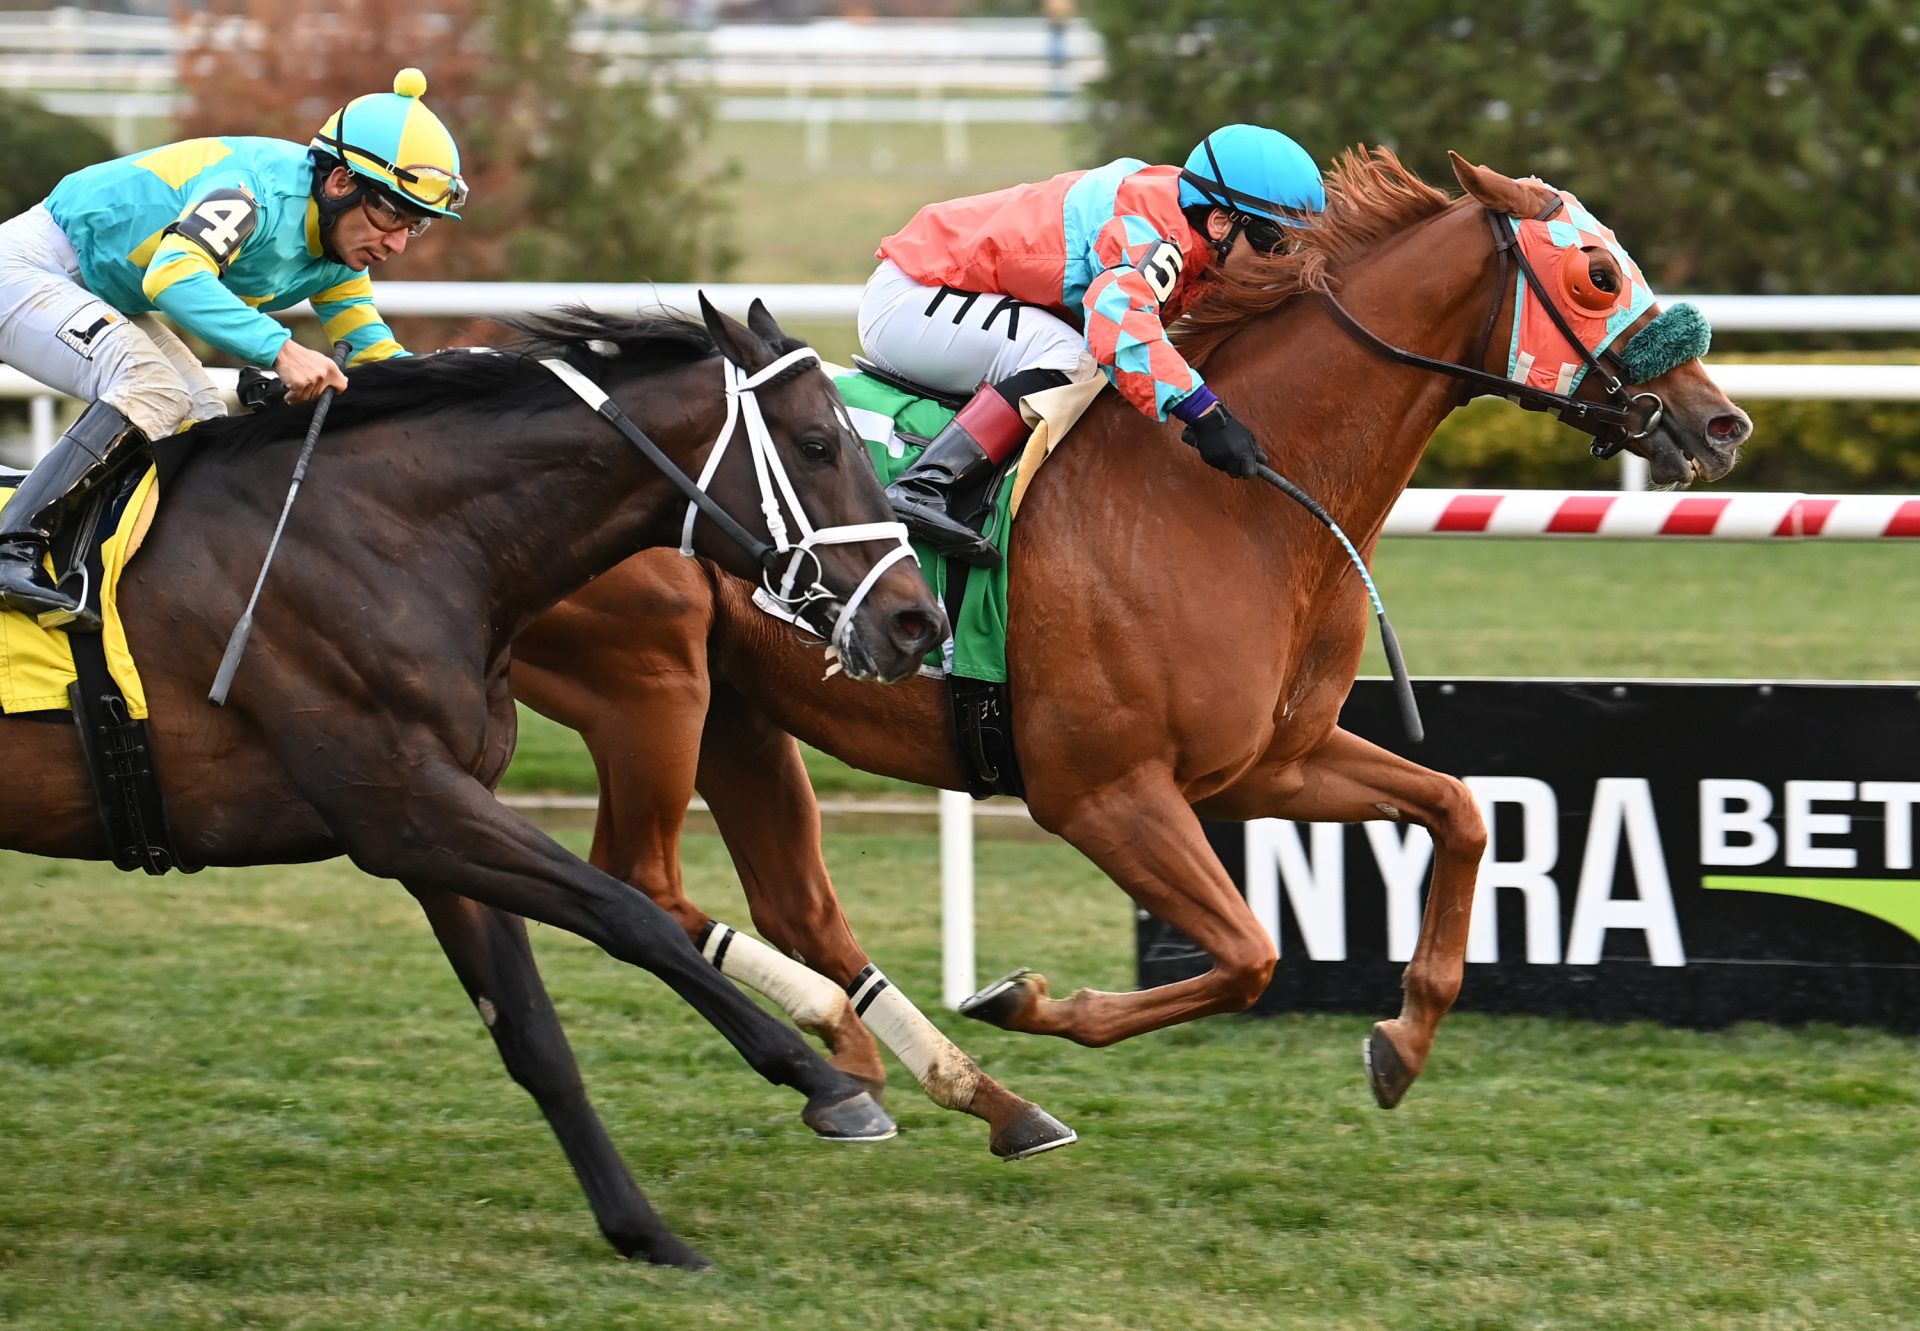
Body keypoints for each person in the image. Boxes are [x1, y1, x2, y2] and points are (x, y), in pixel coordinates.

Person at [0, 68, 466, 627]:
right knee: (151, 386)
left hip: (90, 284)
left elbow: (373, 352)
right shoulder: (255, 191)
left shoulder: (336, 255)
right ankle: (11, 551)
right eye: (390, 213)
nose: (395, 243)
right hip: (31, 265)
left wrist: (461, 396)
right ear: (341, 181)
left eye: (414, 226)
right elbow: (173, 279)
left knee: (200, 413)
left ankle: (103, 568)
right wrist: (281, 351)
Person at [859, 124, 1326, 568]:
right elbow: (1118, 329)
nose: (1281, 263)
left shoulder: (1189, 226)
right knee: (1074, 358)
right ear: (1221, 222)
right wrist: (1204, 412)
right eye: (1275, 243)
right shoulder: (1153, 234)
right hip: (912, 297)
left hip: (946, 295)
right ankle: (924, 487)